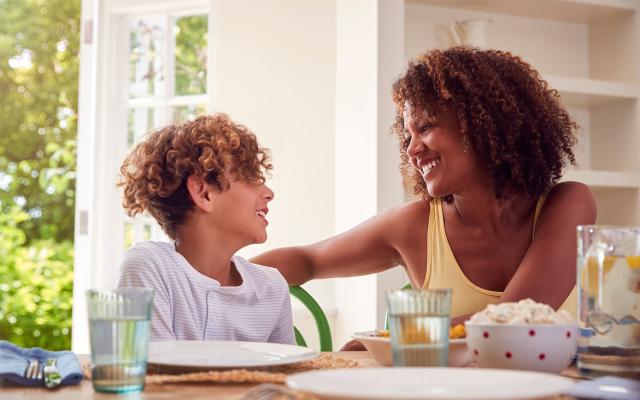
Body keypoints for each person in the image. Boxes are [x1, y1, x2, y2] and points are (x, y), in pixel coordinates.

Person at [252, 47, 596, 339]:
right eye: (406, 137)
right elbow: (308, 261)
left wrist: (395, 338)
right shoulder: (414, 225)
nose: (412, 150)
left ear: (482, 124)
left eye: (426, 127)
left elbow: (515, 321)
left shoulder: (567, 204)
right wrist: (208, 274)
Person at [116, 114, 294, 344]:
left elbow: (286, 374)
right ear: (203, 193)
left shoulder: (272, 286)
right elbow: (156, 372)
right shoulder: (149, 266)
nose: (269, 193)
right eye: (251, 178)